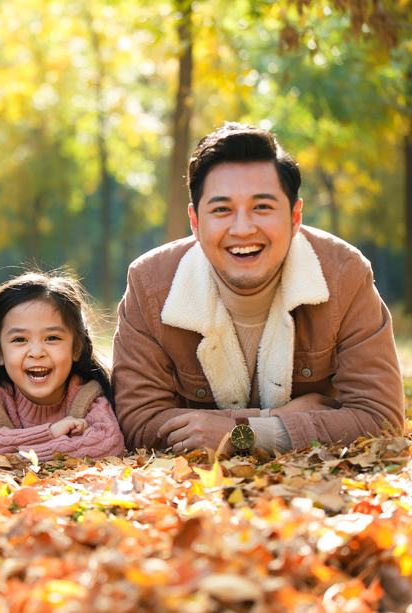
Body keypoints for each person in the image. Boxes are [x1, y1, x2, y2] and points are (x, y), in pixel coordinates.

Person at [112, 122, 404, 456]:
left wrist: (249, 433)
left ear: (295, 217)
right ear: (195, 222)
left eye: (262, 207)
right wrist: (276, 420)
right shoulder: (149, 284)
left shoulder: (344, 274)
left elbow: (381, 418)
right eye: (222, 210)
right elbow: (138, 422)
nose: (242, 229)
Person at [0, 271, 124, 462]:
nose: (36, 352)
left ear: (76, 348)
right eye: (20, 339)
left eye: (52, 338)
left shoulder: (86, 397)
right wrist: (49, 433)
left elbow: (108, 443)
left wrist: (19, 457)